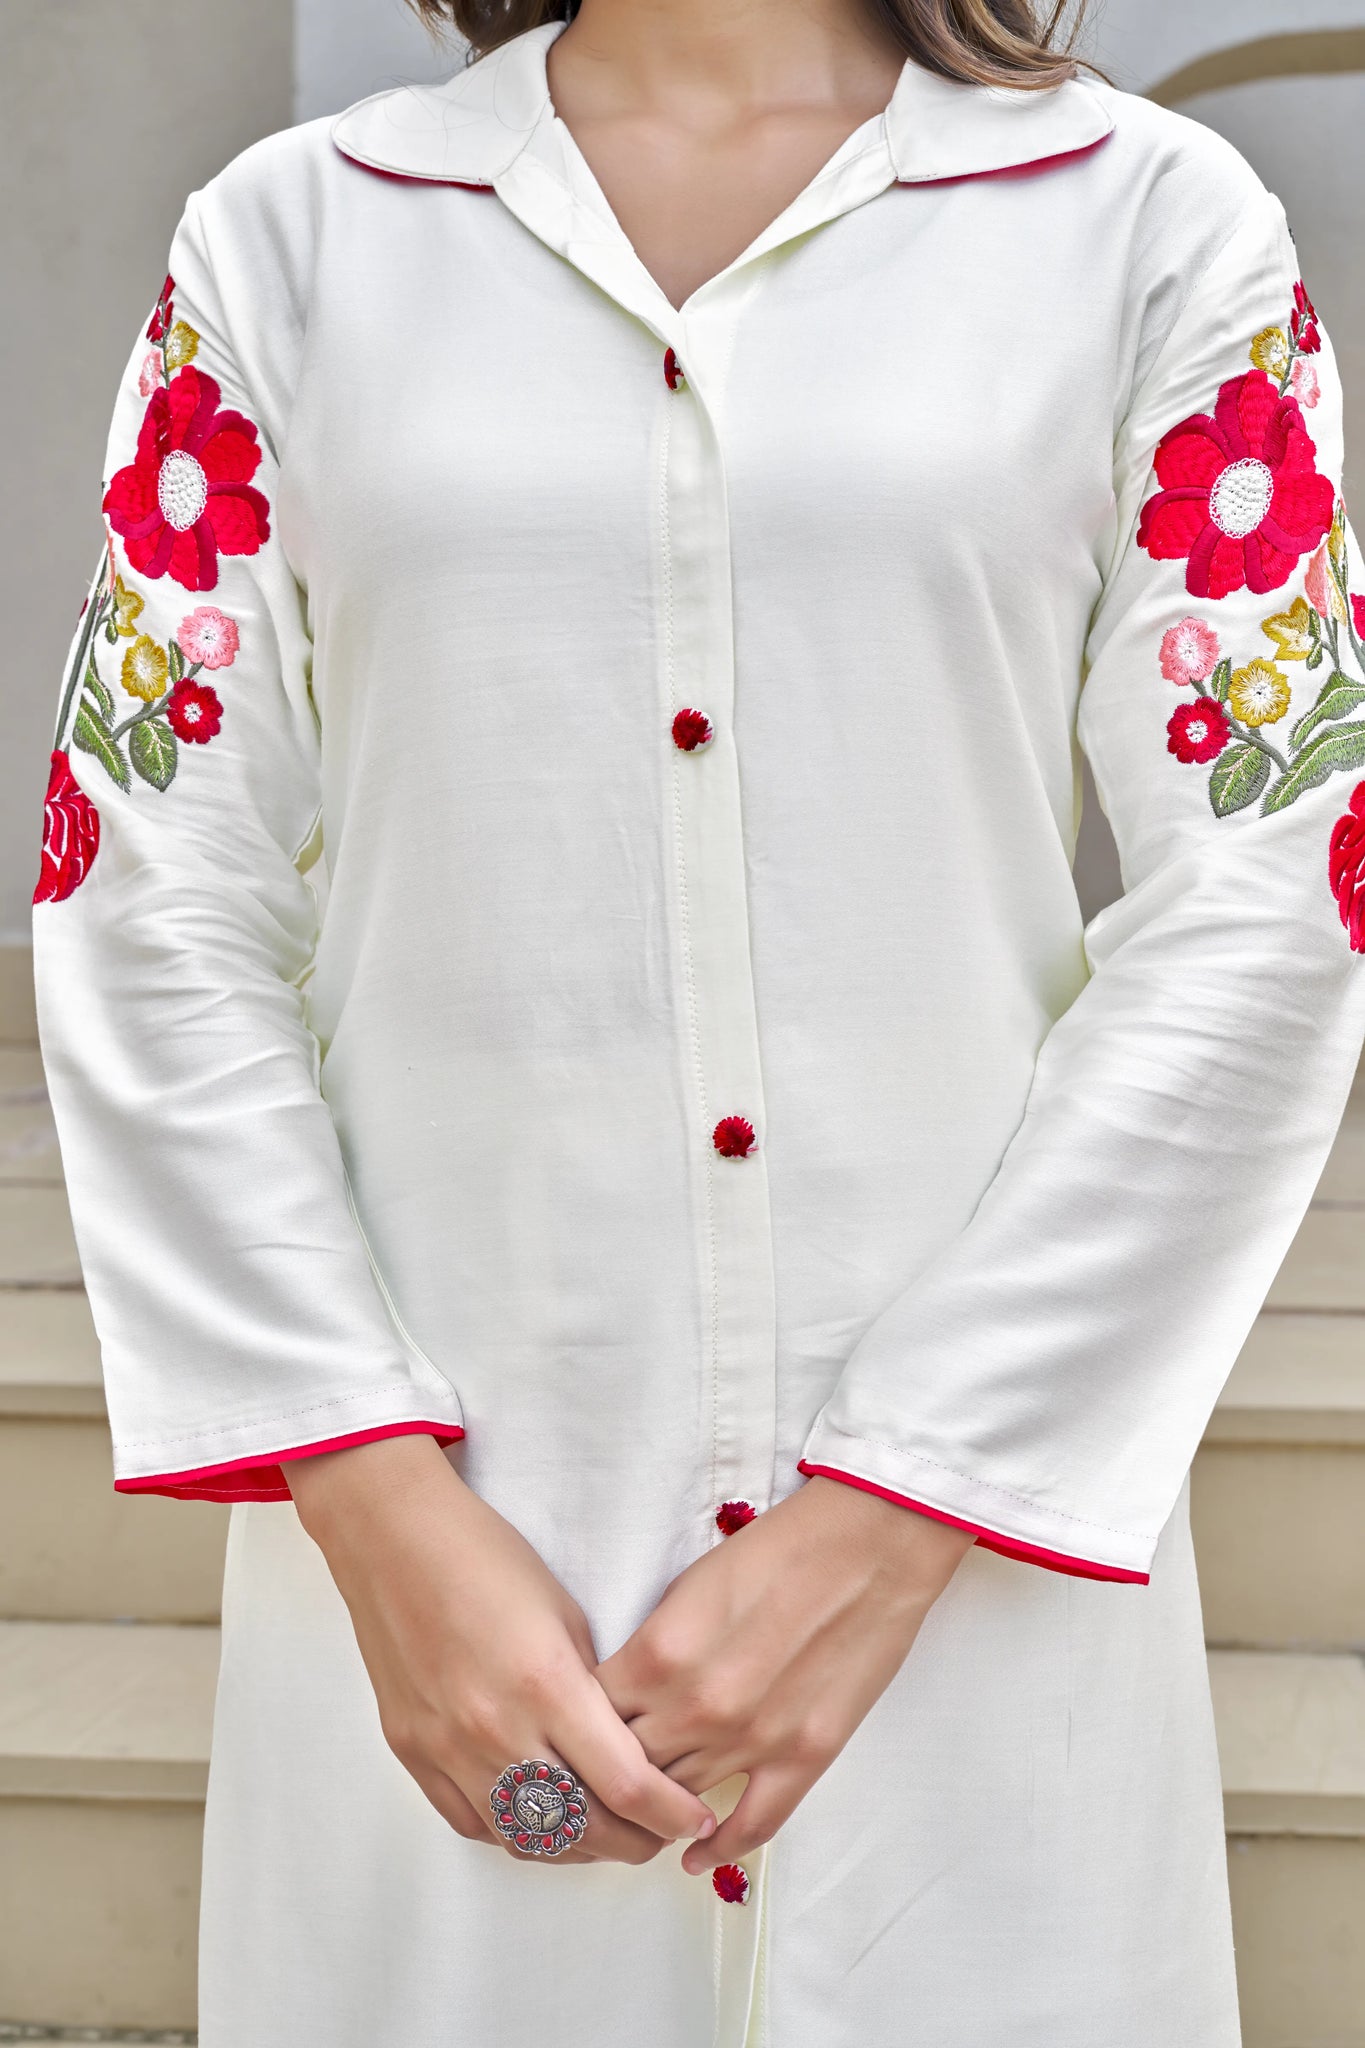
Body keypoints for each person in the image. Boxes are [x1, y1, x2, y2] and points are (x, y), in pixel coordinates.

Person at [32, 0, 1365, 2041]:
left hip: (971, 1581)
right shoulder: (292, 242)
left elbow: (1273, 887)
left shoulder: (1146, 225)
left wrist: (892, 1520)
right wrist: (376, 1513)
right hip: (449, 1588)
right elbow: (148, 887)